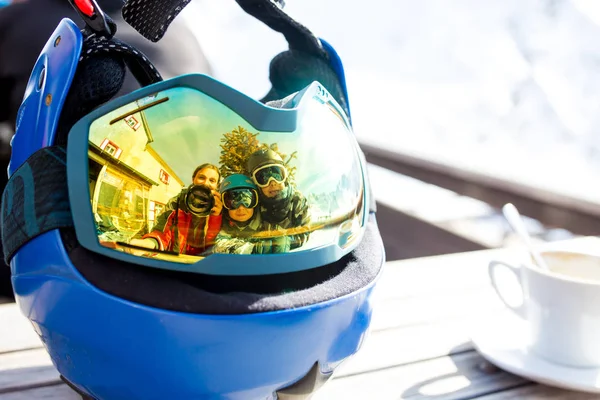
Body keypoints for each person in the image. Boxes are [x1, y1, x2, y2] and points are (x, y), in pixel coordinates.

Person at [129, 163, 223, 255]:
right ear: (193, 179)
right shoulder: (176, 203)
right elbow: (161, 231)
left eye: (212, 180)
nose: (206, 183)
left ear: (217, 186)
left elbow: (217, 244)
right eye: (201, 177)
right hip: (175, 262)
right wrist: (149, 243)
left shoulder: (220, 208)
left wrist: (216, 217)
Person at [246, 147, 311, 251]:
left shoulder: (297, 200)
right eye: (263, 178)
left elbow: (305, 231)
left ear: (284, 176)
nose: (272, 182)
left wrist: (286, 241)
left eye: (277, 174)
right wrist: (257, 247)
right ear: (255, 183)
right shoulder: (253, 204)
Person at [211, 173, 263, 254]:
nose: (241, 208)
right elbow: (219, 245)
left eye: (247, 201)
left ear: (255, 202)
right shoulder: (220, 228)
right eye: (233, 203)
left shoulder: (266, 226)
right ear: (224, 205)